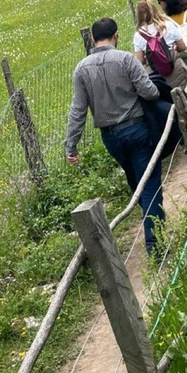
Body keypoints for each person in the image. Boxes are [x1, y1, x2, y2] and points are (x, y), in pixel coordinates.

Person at [64, 17, 165, 255]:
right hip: (137, 129)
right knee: (149, 183)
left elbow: (78, 110)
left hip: (110, 137)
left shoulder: (81, 69)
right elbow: (149, 92)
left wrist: (71, 146)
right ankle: (155, 243)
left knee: (135, 181)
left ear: (92, 39)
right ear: (116, 35)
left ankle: (154, 219)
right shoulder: (126, 59)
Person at [133, 0, 187, 132]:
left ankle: (181, 133)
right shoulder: (167, 25)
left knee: (168, 102)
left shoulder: (139, 35)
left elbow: (140, 60)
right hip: (176, 67)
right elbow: (182, 46)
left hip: (157, 74)